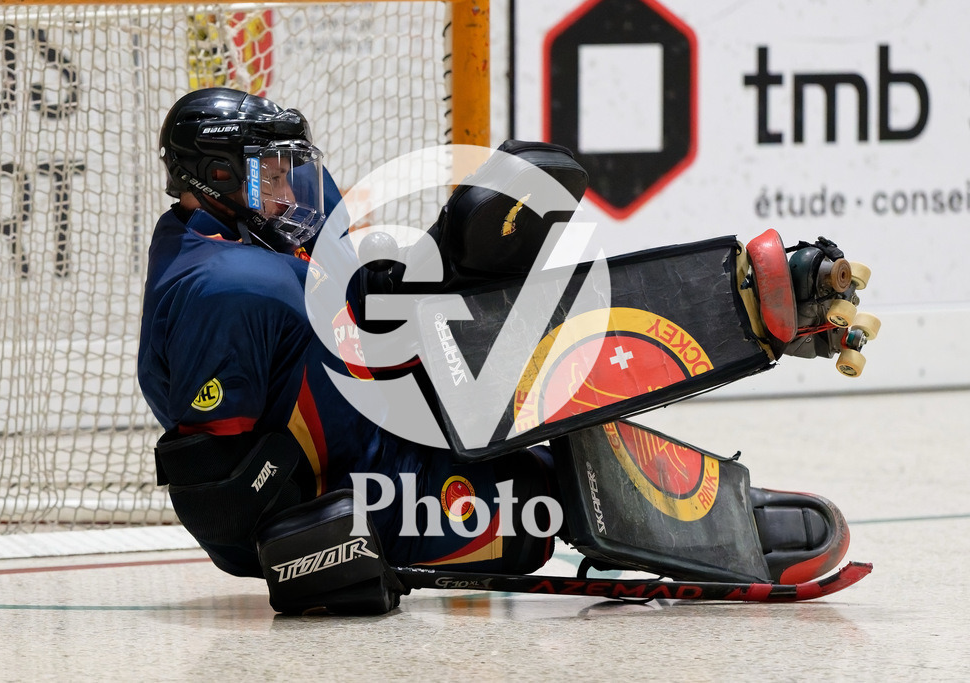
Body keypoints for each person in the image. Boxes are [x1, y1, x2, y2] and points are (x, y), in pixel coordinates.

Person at [139, 87, 851, 615]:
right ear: (216, 178)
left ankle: (746, 311)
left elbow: (330, 305)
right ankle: (718, 529)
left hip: (388, 409)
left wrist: (426, 281)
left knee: (539, 355)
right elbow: (217, 482)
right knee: (540, 506)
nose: (292, 187)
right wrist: (310, 548)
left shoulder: (255, 238)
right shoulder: (219, 290)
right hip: (362, 490)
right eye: (271, 172)